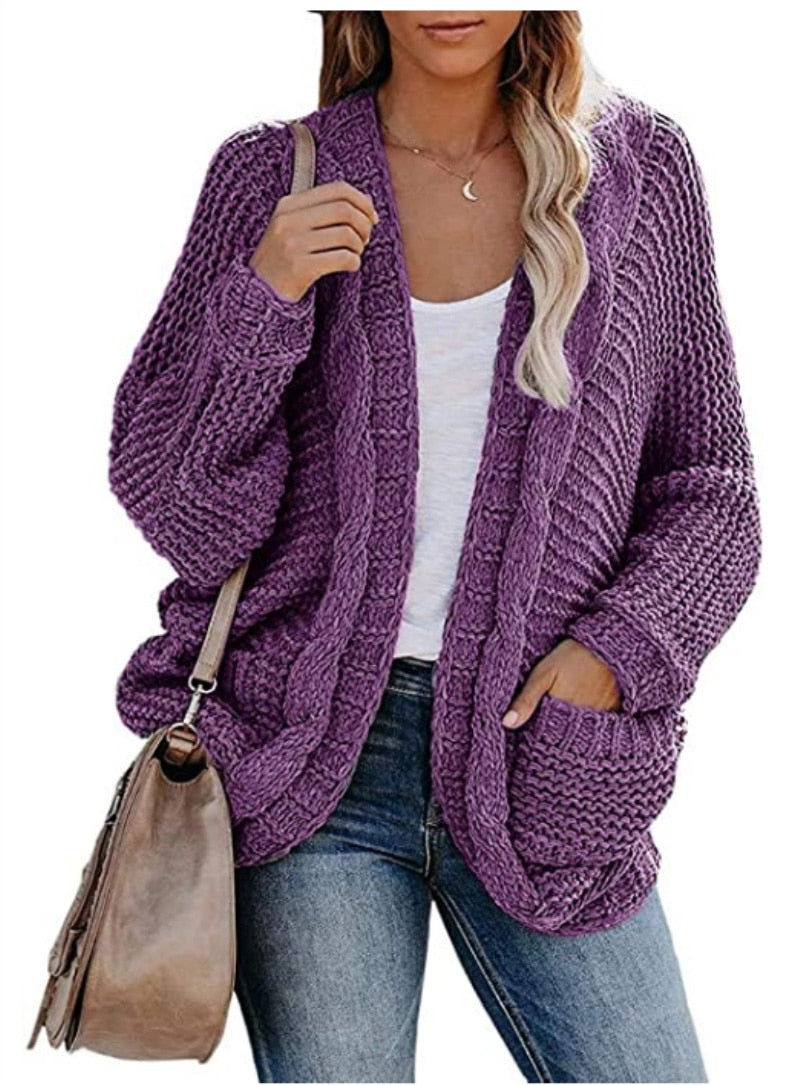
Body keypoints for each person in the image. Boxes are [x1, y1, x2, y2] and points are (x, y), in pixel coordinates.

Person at [107, 10, 762, 1083]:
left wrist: (611, 656)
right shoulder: (269, 179)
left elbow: (711, 490)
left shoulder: (638, 173)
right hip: (308, 762)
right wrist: (263, 300)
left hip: (544, 759)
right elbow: (181, 510)